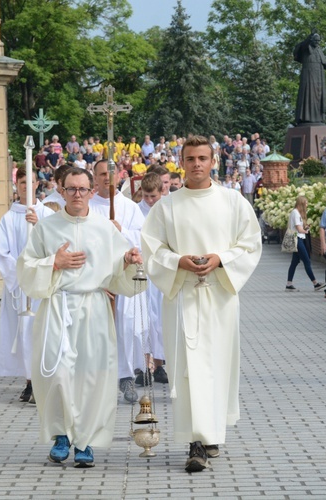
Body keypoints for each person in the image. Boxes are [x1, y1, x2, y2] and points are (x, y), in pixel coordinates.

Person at [141, 135, 262, 473]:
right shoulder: (168, 206)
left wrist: (220, 258)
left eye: (202, 158)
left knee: (217, 365)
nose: (196, 164)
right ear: (182, 162)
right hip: (182, 297)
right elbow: (152, 248)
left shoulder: (232, 201)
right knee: (187, 369)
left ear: (213, 162)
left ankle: (212, 434)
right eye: (190, 158)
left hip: (219, 296)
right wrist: (178, 261)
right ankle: (196, 442)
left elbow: (250, 245)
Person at [17, 167, 144, 467]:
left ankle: (84, 441)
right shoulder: (47, 229)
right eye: (71, 189)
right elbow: (25, 268)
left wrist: (127, 260)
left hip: (93, 309)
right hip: (57, 308)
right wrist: (54, 262)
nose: (77, 195)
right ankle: (62, 435)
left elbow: (120, 269)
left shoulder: (105, 228)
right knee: (57, 373)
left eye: (82, 189)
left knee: (91, 376)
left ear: (91, 191)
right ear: (60, 191)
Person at [89, 160, 147, 404]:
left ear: (120, 176)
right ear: (94, 177)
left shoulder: (129, 208)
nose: (107, 179)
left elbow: (142, 238)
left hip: (123, 276)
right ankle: (96, 380)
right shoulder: (87, 207)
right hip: (96, 280)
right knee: (95, 331)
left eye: (111, 175)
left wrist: (120, 230)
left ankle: (126, 376)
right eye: (102, 174)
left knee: (124, 327)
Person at [0, 168, 54, 403]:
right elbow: (1, 253)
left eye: (29, 181)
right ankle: (30, 382)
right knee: (24, 334)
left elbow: (56, 243)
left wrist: (39, 225)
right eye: (21, 182)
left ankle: (43, 380)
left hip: (43, 285)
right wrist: (20, 275)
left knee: (42, 334)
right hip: (20, 288)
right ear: (16, 185)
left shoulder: (47, 215)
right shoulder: (8, 219)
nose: (25, 186)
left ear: (37, 183)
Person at [135, 172, 169, 386]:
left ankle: (159, 363)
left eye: (153, 196)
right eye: (146, 196)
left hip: (162, 270)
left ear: (162, 192)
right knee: (143, 318)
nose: (149, 200)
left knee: (160, 319)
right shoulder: (135, 211)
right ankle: (145, 364)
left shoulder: (168, 209)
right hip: (141, 270)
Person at [293, 31, 326, 125]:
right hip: (309, 76)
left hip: (319, 77)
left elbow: (325, 63)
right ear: (311, 40)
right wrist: (309, 36)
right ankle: (306, 118)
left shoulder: (319, 49)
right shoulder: (306, 48)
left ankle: (318, 118)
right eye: (316, 40)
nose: (318, 42)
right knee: (308, 95)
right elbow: (301, 47)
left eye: (319, 41)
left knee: (318, 98)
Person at [285, 195, 325, 292]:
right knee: (307, 261)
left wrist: (304, 228)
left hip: (298, 238)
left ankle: (289, 284)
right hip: (297, 239)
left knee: (294, 262)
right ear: (302, 204)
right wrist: (305, 230)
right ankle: (315, 283)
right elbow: (299, 229)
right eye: (306, 203)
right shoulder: (295, 213)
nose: (307, 205)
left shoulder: (296, 213)